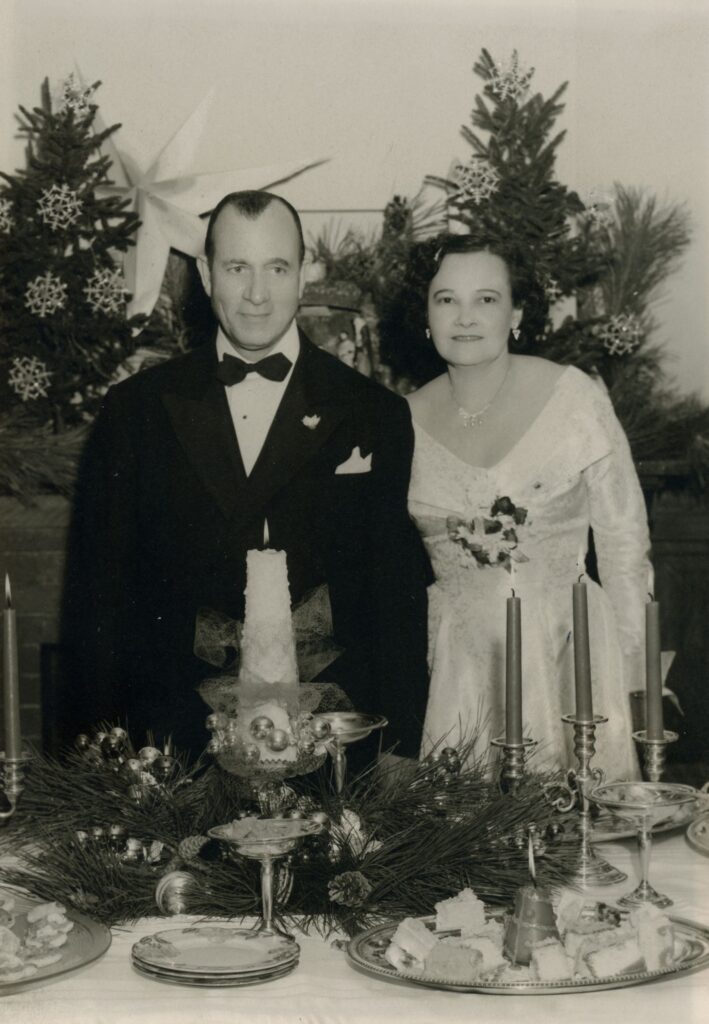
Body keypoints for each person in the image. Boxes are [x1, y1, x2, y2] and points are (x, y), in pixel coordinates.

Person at [61, 190, 431, 760]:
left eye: (276, 268)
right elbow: (96, 601)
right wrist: (90, 759)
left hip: (329, 756)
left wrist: (400, 754)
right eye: (237, 268)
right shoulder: (135, 411)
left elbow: (396, 604)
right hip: (171, 752)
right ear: (207, 276)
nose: (257, 295)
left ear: (304, 274)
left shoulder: (374, 413)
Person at [404, 233, 651, 779]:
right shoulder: (401, 420)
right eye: (446, 299)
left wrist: (637, 679)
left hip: (573, 663)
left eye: (486, 299)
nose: (465, 317)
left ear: (516, 311)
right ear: (425, 314)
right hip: (457, 676)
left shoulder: (573, 397)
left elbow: (623, 539)